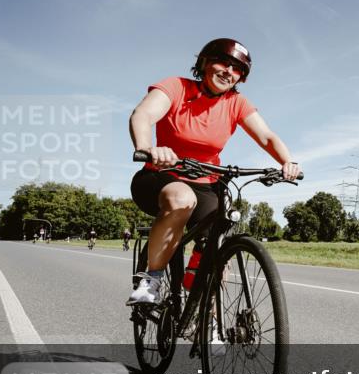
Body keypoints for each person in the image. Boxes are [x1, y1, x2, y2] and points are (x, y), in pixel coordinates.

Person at [126, 38, 302, 305]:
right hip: (161, 175)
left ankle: (204, 310)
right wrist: (148, 148)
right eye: (223, 62)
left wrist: (288, 162)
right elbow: (143, 115)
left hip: (206, 181)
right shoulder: (177, 86)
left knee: (220, 233)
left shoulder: (236, 103)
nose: (228, 71)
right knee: (182, 199)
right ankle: (151, 280)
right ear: (205, 63)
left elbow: (266, 137)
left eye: (237, 69)